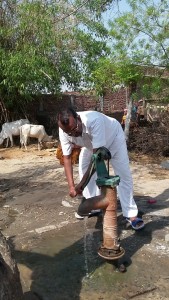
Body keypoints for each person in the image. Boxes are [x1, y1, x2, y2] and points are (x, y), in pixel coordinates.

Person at [57, 107, 144, 230]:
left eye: (74, 129)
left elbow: (96, 159)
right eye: (68, 133)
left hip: (114, 139)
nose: (72, 134)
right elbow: (67, 158)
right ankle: (94, 205)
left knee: (123, 175)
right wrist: (71, 186)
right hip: (91, 145)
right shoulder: (64, 130)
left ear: (78, 118)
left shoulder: (94, 120)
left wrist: (80, 185)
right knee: (83, 168)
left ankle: (131, 214)